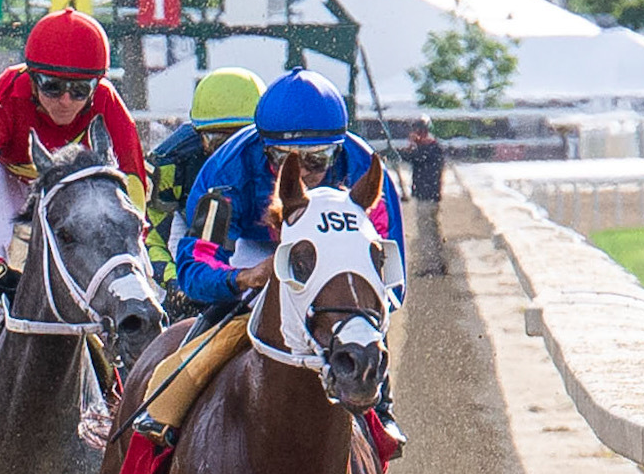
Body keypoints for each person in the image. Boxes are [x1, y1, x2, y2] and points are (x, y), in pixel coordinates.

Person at [0, 10, 149, 393]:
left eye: (79, 90)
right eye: (52, 87)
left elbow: (134, 194)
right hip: (9, 176)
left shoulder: (108, 104)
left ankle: (133, 361)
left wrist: (133, 245)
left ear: (97, 87)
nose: (66, 101)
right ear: (31, 78)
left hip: (73, 180)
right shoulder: (5, 98)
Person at [178, 67, 408, 450]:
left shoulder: (365, 170)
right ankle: (157, 432)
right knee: (191, 357)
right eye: (284, 158)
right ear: (263, 147)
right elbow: (195, 266)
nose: (301, 172)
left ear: (337, 150)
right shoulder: (224, 175)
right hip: (251, 253)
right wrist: (243, 278)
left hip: (334, 261)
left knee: (363, 333)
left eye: (317, 160)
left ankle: (381, 413)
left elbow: (390, 277)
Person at [145, 68, 264, 312]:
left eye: (245, 137)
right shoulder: (168, 163)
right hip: (189, 233)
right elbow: (152, 238)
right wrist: (176, 284)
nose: (234, 152)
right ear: (198, 135)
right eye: (219, 142)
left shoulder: (283, 156)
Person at [403, 118, 447, 278]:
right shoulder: (434, 149)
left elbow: (411, 157)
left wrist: (411, 146)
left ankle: (432, 266)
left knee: (427, 232)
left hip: (426, 197)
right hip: (431, 196)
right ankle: (437, 263)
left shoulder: (428, 150)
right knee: (432, 231)